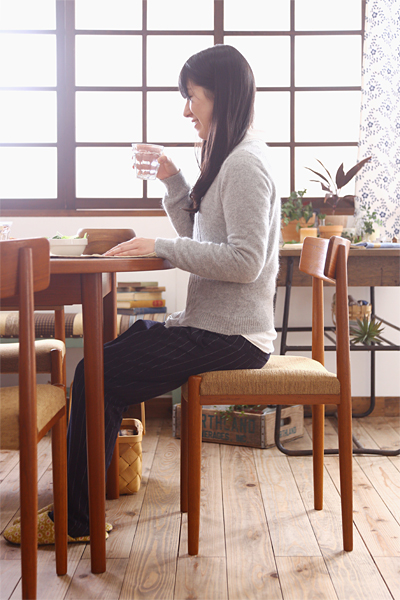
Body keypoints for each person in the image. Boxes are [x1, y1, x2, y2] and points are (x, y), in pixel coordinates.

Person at [4, 44, 280, 544]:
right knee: (99, 368)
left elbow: (244, 262)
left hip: (233, 335)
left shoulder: (244, 165)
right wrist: (175, 181)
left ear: (222, 96)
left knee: (98, 374)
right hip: (211, 324)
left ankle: (77, 518)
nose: (186, 109)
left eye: (192, 97)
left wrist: (163, 246)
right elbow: (206, 238)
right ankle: (79, 505)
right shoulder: (228, 158)